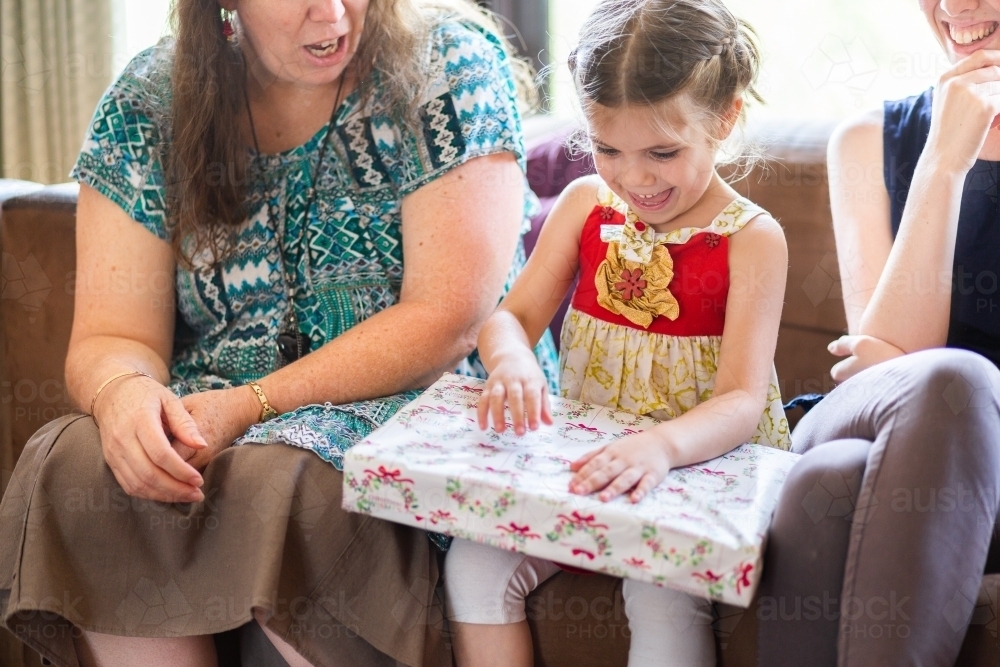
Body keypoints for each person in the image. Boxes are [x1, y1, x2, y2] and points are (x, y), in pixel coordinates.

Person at [0, 1, 558, 666]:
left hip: (410, 414)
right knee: (77, 461)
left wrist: (250, 405)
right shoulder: (148, 103)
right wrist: (123, 395)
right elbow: (111, 335)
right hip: (220, 428)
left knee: (280, 480)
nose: (332, 11)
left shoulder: (448, 66)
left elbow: (448, 319)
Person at [441, 1, 792, 665]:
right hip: (586, 465)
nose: (634, 178)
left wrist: (660, 446)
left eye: (663, 151)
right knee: (473, 561)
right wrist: (511, 359)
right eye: (608, 148)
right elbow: (509, 318)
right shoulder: (584, 207)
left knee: (658, 592)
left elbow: (743, 400)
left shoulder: (752, 240)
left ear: (725, 118)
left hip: (692, 469)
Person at [757, 1, 1000, 664]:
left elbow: (897, 360)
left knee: (828, 484)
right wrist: (943, 164)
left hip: (963, 465)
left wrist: (895, 360)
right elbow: (899, 374)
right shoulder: (868, 142)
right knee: (955, 378)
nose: (955, 7)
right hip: (873, 420)